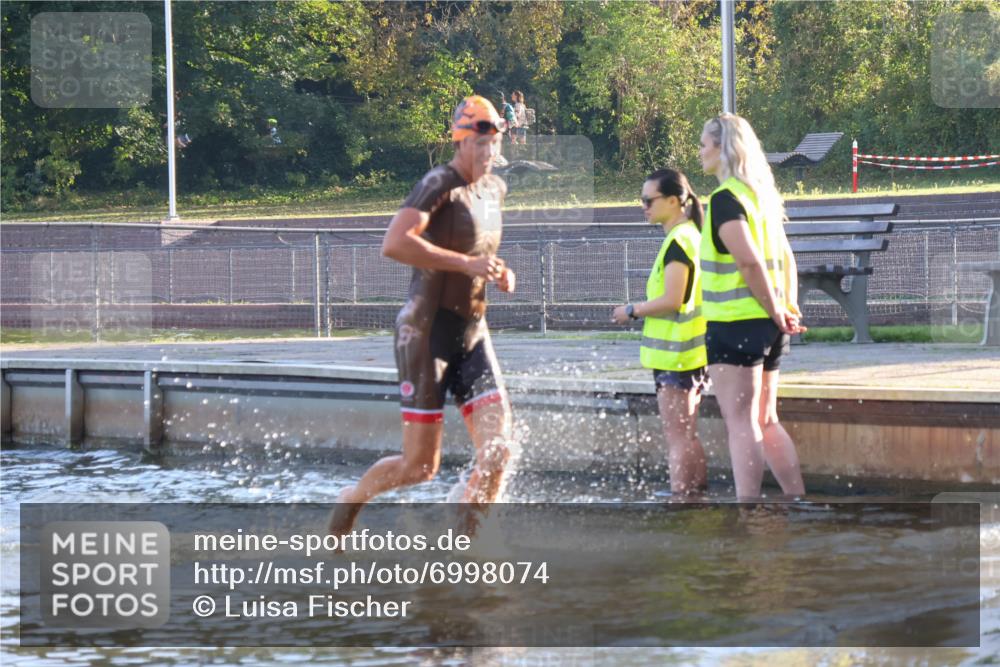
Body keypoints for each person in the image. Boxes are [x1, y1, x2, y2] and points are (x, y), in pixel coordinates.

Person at [328, 95, 516, 537]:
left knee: (498, 449)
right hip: (426, 333)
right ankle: (350, 500)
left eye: (494, 145)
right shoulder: (437, 183)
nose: (489, 155)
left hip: (473, 331)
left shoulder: (495, 190)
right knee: (419, 468)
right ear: (462, 141)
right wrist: (465, 264)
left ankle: (463, 540)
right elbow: (394, 243)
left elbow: (479, 251)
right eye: (481, 145)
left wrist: (500, 271)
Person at [698, 113, 807, 500]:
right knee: (766, 418)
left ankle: (749, 510)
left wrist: (777, 308)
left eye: (704, 145)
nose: (699, 153)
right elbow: (787, 258)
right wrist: (786, 307)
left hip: (735, 323)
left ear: (723, 148)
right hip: (769, 325)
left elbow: (748, 262)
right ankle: (797, 499)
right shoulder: (760, 195)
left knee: (741, 423)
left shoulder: (725, 199)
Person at [612, 168, 708, 496]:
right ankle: (697, 497)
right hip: (690, 354)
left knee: (678, 438)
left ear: (673, 200)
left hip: (676, 356)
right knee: (689, 435)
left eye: (648, 200)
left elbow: (673, 299)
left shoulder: (679, 242)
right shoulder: (691, 236)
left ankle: (681, 502)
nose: (643, 206)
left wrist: (631, 310)